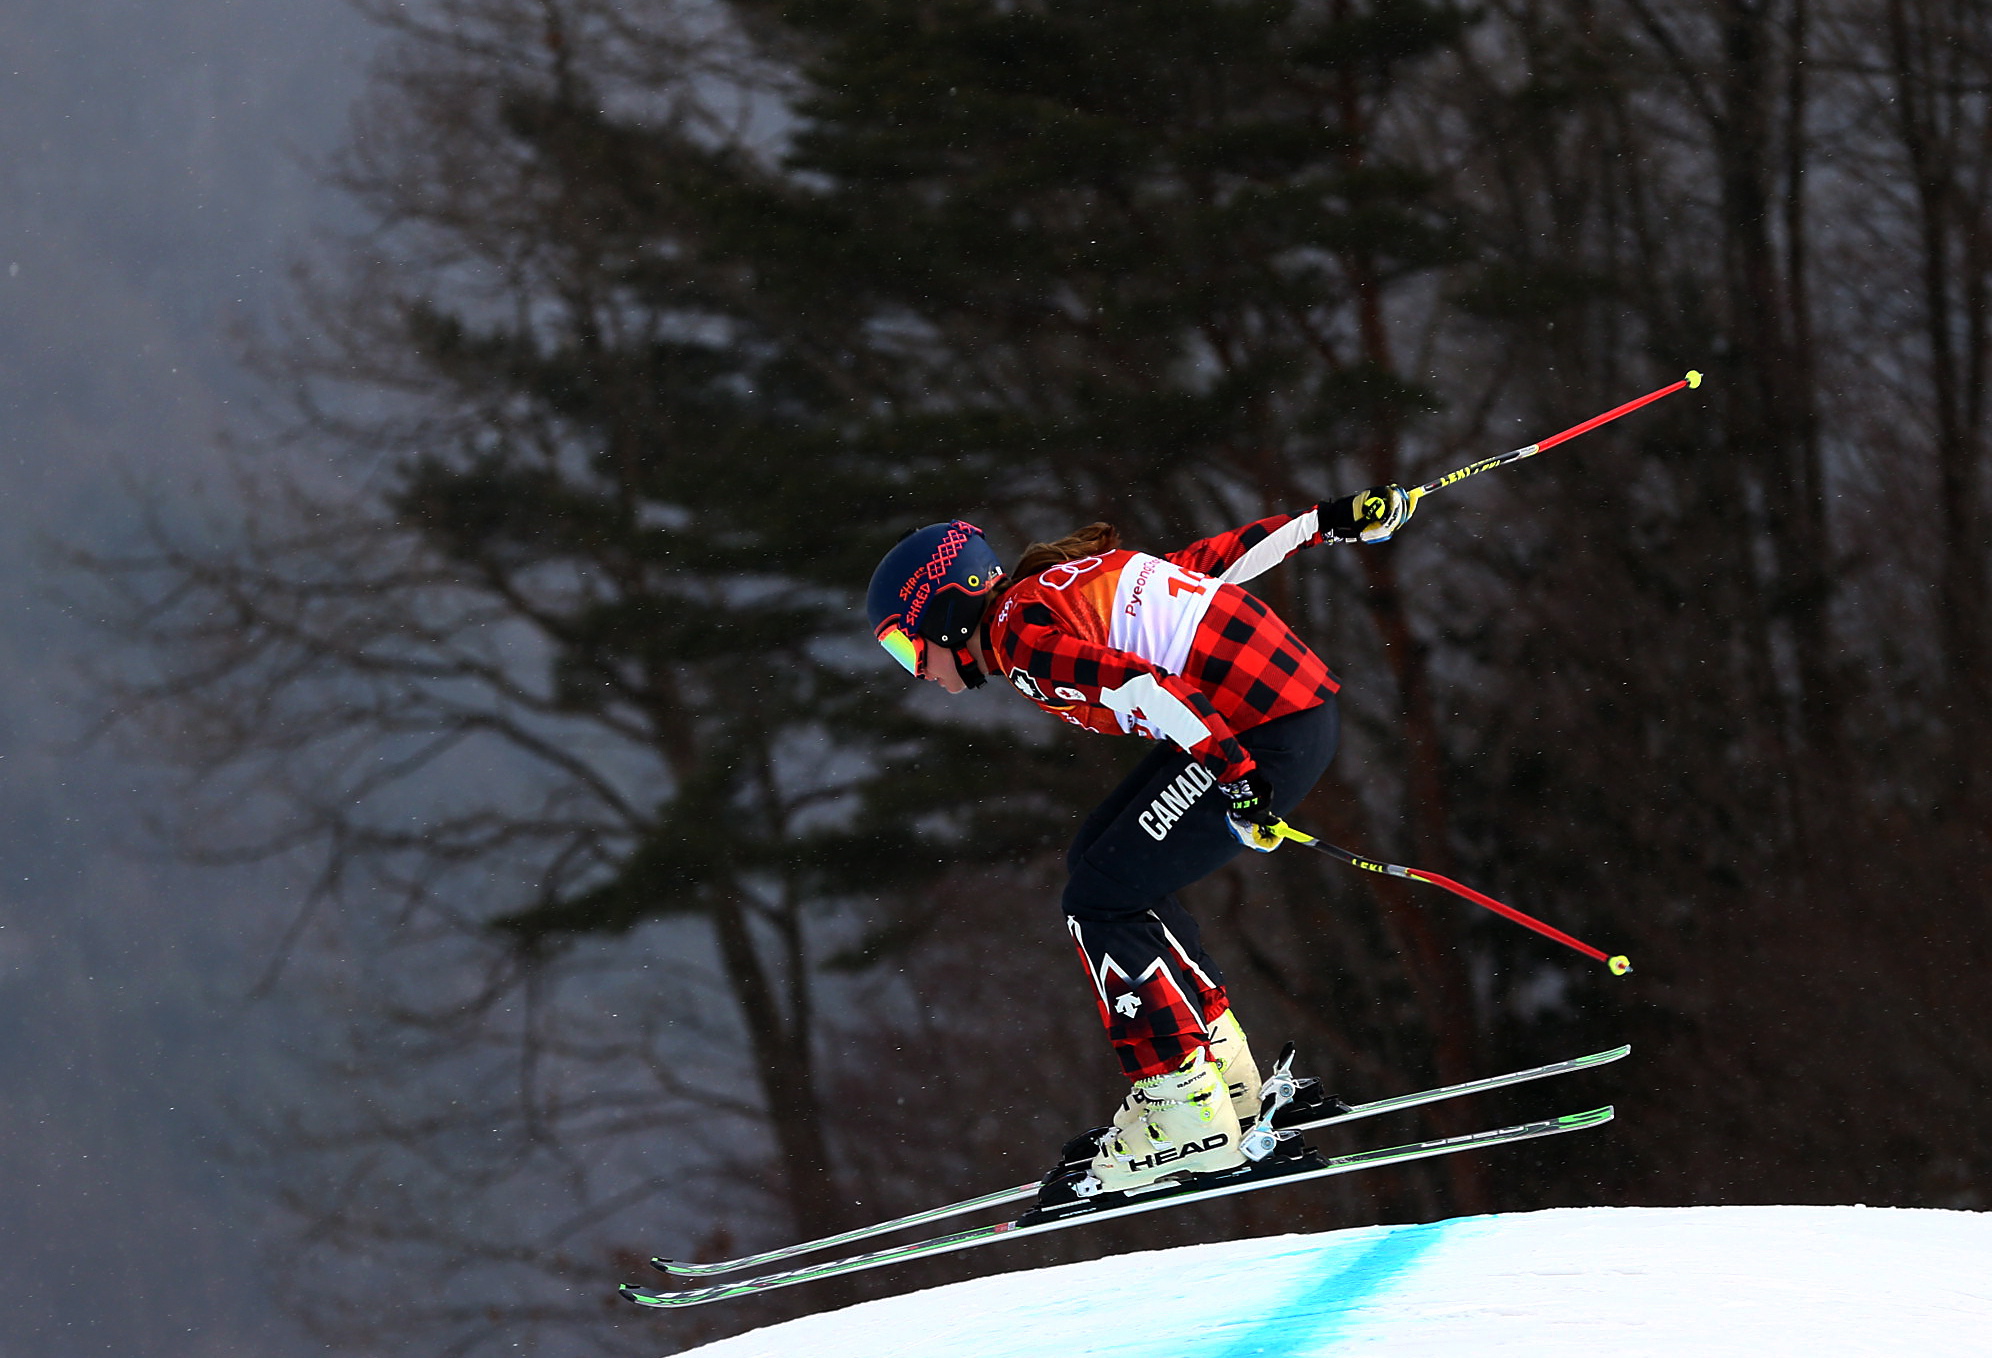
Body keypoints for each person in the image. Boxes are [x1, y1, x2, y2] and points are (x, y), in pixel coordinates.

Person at [865, 487, 1414, 1193]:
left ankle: (1184, 1109)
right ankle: (1222, 1080)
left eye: (906, 644)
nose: (918, 670)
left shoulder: (1021, 640)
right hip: (1267, 719)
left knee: (1099, 902)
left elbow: (1145, 686)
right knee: (1095, 865)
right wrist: (1324, 522)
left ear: (944, 611)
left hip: (1259, 733)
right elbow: (1200, 570)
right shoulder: (1050, 590)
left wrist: (1238, 779)